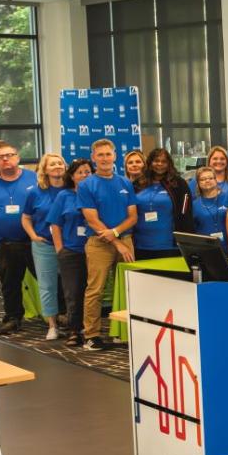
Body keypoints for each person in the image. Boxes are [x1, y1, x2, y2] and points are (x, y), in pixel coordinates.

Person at [77, 139, 138, 350]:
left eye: (108, 154)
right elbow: (92, 219)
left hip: (124, 238)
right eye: (100, 155)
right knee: (95, 290)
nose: (104, 158)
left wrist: (116, 234)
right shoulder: (86, 185)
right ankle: (91, 335)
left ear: (115, 156)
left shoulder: (125, 183)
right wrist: (117, 242)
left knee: (129, 288)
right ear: (94, 158)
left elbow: (133, 216)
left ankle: (122, 332)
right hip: (99, 243)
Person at [0, 142, 39, 336]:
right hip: (6, 244)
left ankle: (61, 314)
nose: (6, 159)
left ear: (18, 158)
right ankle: (13, 317)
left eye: (9, 155)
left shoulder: (35, 178)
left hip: (36, 241)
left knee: (49, 279)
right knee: (10, 284)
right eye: (1, 157)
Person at [45, 158, 92, 347]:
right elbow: (55, 224)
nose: (84, 175)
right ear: (72, 176)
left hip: (95, 250)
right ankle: (74, 330)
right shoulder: (64, 196)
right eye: (80, 172)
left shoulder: (96, 193)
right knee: (73, 292)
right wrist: (60, 250)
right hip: (71, 251)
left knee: (92, 292)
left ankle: (90, 329)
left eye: (88, 172)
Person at [20, 153, 68, 341]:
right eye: (52, 164)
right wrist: (33, 236)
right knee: (47, 286)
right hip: (44, 245)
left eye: (60, 163)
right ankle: (53, 326)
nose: (57, 166)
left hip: (70, 245)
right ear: (45, 169)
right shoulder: (35, 192)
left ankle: (74, 324)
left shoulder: (73, 189)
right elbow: (25, 217)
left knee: (72, 286)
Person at [133, 162, 179, 260]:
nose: (159, 164)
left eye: (163, 161)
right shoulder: (136, 185)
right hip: (141, 244)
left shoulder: (176, 185)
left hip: (168, 244)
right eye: (156, 161)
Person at [190, 167, 228, 242]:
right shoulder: (194, 205)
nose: (207, 181)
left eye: (211, 178)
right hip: (205, 247)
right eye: (203, 179)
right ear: (198, 183)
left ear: (216, 180)